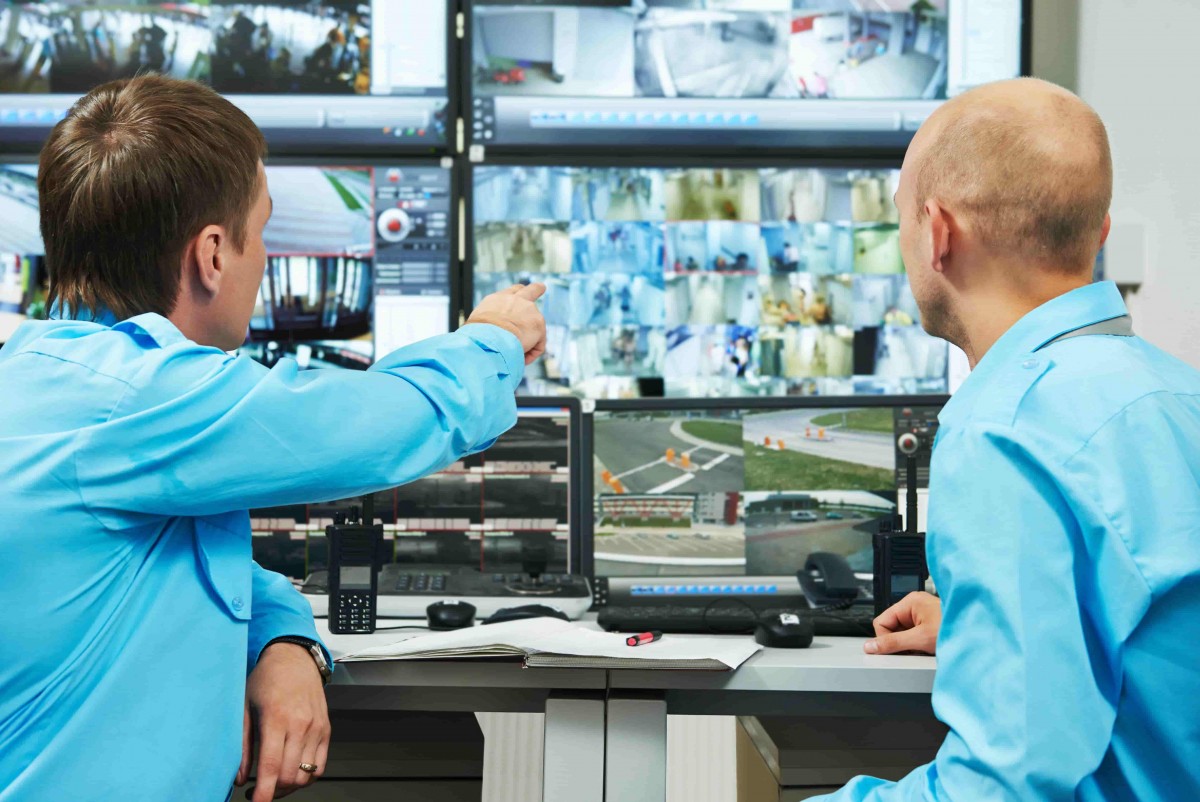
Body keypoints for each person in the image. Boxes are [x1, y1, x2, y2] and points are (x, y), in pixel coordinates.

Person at [0, 76, 546, 802]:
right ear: (214, 253)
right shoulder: (143, 402)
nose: (264, 261)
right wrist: (497, 338)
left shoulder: (50, 381)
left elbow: (168, 561)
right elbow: (392, 421)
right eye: (263, 232)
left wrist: (284, 639)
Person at [814, 78, 1200, 800]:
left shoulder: (1004, 429)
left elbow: (1003, 788)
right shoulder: (1179, 395)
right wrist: (975, 627)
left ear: (937, 232)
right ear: (1100, 232)